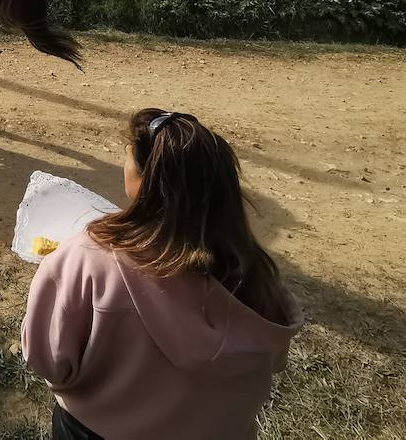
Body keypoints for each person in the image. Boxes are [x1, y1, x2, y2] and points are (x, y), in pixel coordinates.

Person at [22, 109, 300, 440]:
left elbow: (47, 362)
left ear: (144, 179)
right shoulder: (257, 274)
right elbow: (275, 363)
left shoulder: (85, 259)